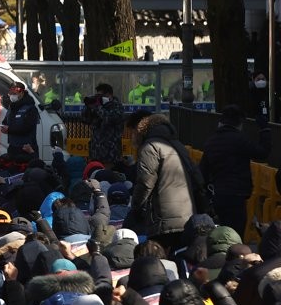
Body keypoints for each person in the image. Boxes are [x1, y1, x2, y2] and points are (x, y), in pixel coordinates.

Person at [129, 111, 201, 251]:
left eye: (131, 132)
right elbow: (197, 177)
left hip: (164, 219)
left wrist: (136, 206)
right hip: (188, 216)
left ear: (138, 129)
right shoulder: (178, 145)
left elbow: (145, 182)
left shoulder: (150, 147)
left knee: (161, 262)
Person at [199, 104, 271, 235]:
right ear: (239, 123)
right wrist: (264, 129)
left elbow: (203, 171)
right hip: (236, 195)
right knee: (236, 233)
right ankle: (235, 254)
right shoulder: (240, 140)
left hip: (218, 195)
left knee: (220, 231)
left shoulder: (211, 142)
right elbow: (262, 153)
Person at [82, 82, 125, 166]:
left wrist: (98, 107)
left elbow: (109, 119)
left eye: (100, 96)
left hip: (111, 153)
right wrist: (89, 107)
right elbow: (85, 120)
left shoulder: (117, 107)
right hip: (95, 152)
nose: (98, 98)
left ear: (109, 95)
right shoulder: (98, 107)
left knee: (109, 176)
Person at [0, 81, 39, 160]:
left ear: (22, 93)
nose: (12, 96)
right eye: (11, 94)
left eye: (15, 94)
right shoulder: (12, 107)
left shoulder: (30, 108)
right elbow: (6, 121)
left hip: (26, 148)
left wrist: (9, 129)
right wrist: (3, 127)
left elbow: (27, 128)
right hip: (13, 147)